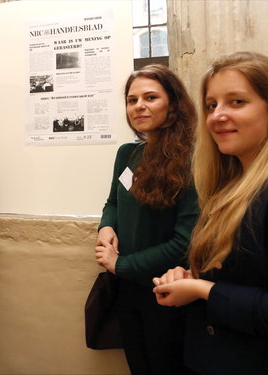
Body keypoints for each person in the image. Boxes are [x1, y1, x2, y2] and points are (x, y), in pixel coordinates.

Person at [153, 51, 268, 375]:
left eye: (237, 102)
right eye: (211, 105)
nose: (218, 116)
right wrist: (190, 278)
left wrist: (202, 290)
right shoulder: (226, 188)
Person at [94, 64, 198, 375]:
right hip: (127, 289)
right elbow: (113, 201)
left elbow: (185, 241)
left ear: (173, 103)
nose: (139, 106)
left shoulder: (192, 160)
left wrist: (120, 264)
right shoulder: (128, 153)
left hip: (167, 290)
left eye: (150, 97)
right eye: (132, 99)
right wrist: (106, 226)